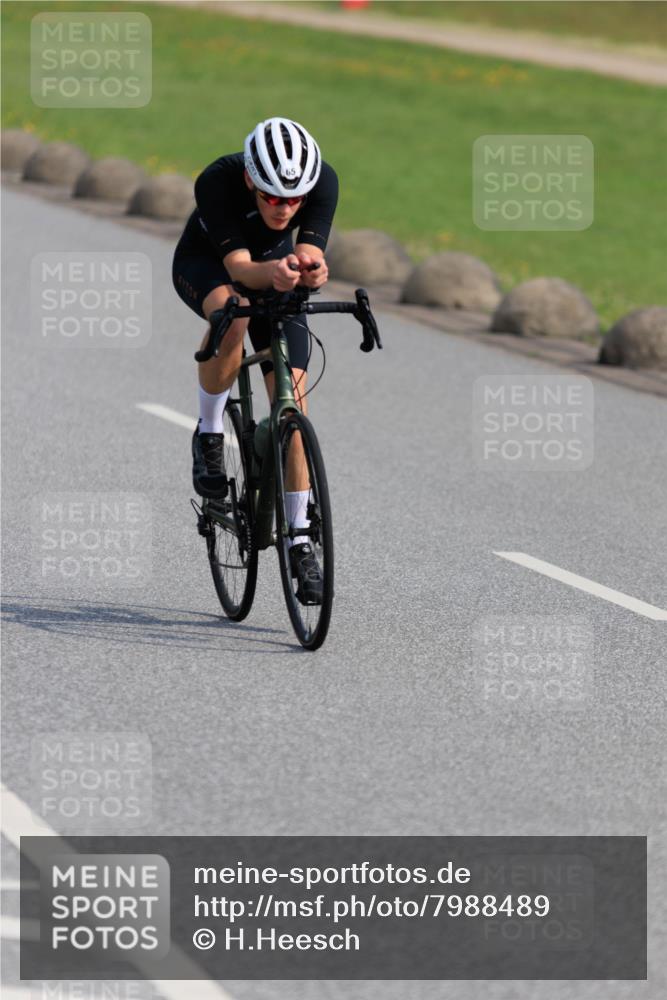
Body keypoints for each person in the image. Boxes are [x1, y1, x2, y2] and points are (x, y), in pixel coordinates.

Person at [172, 117, 339, 603]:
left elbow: (307, 248)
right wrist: (278, 272)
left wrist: (312, 267)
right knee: (235, 314)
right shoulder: (219, 182)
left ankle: (301, 539)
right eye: (271, 197)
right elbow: (242, 269)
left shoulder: (322, 181)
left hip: (275, 276)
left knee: (294, 407)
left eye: (294, 200)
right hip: (209, 267)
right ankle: (208, 431)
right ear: (251, 180)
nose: (284, 208)